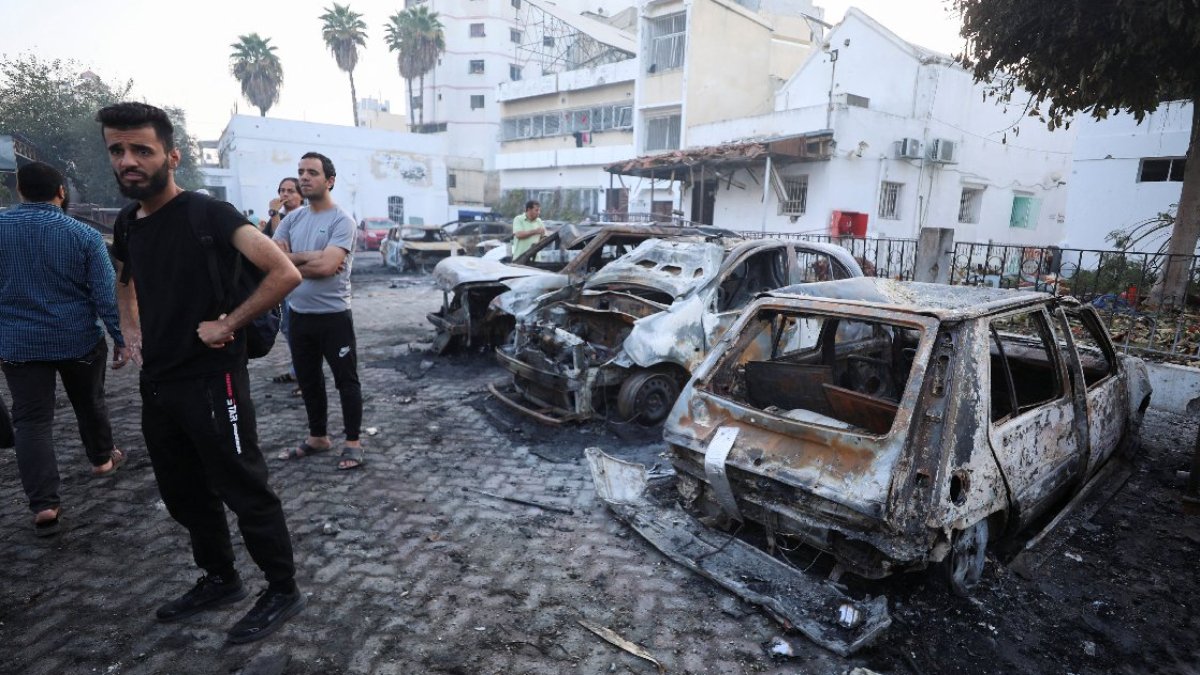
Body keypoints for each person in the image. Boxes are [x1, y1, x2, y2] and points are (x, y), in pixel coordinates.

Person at [99, 102, 305, 644]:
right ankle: (220, 578)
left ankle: (282, 588)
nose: (128, 161)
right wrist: (130, 330)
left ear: (172, 155)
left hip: (216, 380)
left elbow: (283, 272)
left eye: (140, 150)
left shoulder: (207, 213)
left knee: (244, 486)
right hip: (159, 382)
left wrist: (229, 322)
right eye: (117, 151)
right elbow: (125, 278)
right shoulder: (127, 221)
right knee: (183, 491)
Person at [0, 161, 126, 536]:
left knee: (31, 422)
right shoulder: (83, 235)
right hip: (77, 340)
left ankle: (44, 505)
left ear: (19, 191)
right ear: (61, 192)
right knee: (90, 402)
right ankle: (102, 459)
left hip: (18, 345)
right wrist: (120, 338)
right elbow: (104, 294)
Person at [272, 152, 365, 470]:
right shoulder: (292, 219)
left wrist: (294, 260)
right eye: (301, 172)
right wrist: (310, 259)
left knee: (346, 380)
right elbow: (274, 261)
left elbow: (328, 267)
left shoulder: (342, 220)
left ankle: (353, 442)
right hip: (299, 315)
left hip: (334, 316)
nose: (304, 177)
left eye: (312, 172)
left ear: (330, 180)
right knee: (309, 380)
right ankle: (318, 437)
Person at [263, 178, 305, 387]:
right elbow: (268, 247)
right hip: (283, 285)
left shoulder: (305, 218)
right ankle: (297, 371)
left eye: (290, 191)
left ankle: (304, 377)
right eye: (282, 190)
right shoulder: (278, 218)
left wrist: (274, 215)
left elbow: (282, 249)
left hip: (301, 283)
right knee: (287, 328)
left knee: (298, 331)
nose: (285, 195)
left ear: (301, 196)